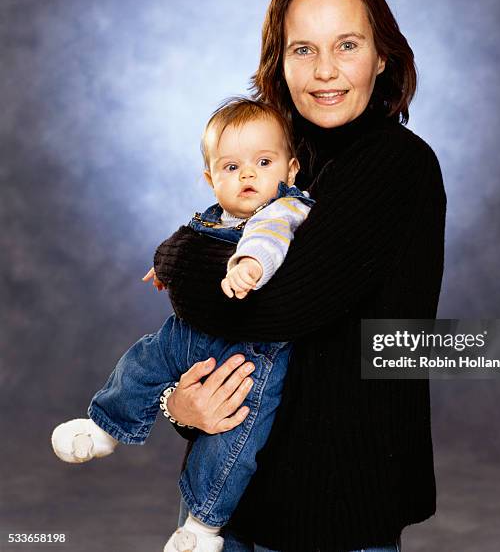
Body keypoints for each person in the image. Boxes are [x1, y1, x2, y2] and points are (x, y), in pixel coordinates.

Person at [154, 0, 446, 552]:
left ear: (382, 55)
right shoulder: (275, 156)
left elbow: (274, 305)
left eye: (347, 44)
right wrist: (180, 406)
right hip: (229, 502)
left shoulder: (395, 165)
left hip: (338, 514)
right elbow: (218, 329)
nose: (325, 72)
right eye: (303, 50)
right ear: (279, 63)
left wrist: (175, 257)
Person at [50, 98, 314, 552]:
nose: (248, 175)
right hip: (188, 333)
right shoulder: (217, 213)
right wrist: (167, 266)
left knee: (234, 436)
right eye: (231, 167)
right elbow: (185, 241)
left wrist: (249, 264)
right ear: (211, 180)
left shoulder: (284, 208)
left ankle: (203, 525)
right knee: (143, 358)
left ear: (290, 170)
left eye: (263, 162)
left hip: (249, 354)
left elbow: (269, 239)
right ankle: (107, 425)